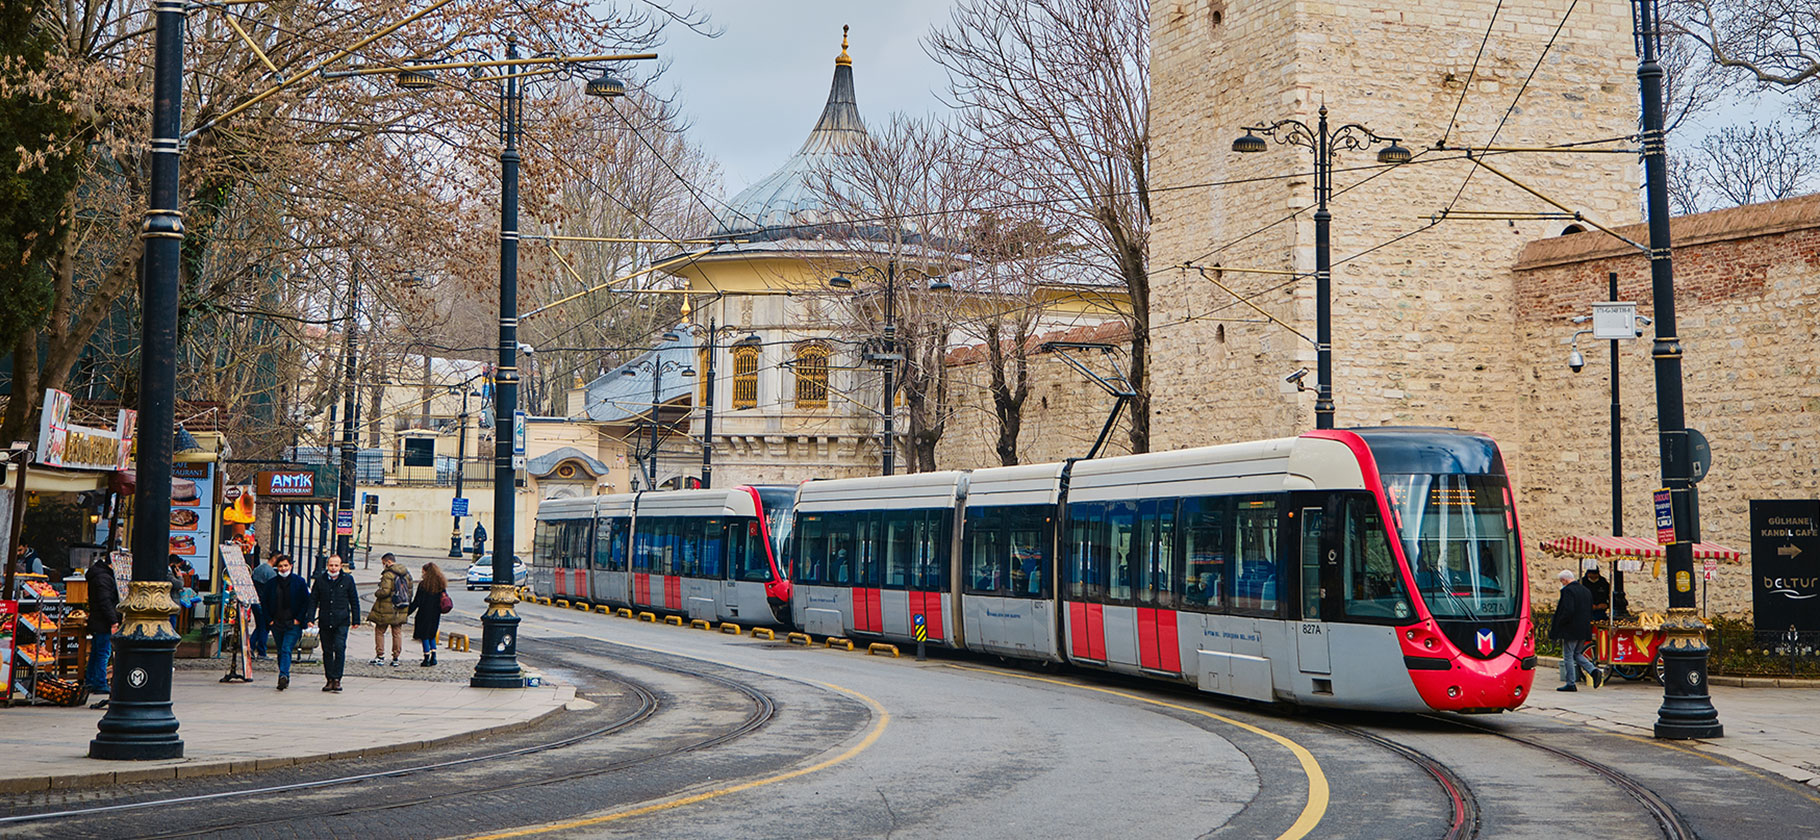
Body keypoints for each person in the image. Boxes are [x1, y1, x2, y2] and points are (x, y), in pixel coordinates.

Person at [307, 554, 361, 692]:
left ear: (341, 566)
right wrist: (310, 618)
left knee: (339, 647)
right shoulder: (320, 580)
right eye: (331, 565)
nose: (333, 568)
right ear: (327, 566)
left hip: (341, 620)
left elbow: (354, 600)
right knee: (327, 650)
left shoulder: (347, 580)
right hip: (325, 620)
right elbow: (313, 600)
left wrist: (356, 619)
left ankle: (337, 678)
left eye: (336, 565)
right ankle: (329, 678)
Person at [260, 554, 310, 691]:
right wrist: (269, 620)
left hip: (293, 623)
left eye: (285, 566)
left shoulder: (299, 582)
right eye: (280, 566)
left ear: (291, 566)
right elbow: (264, 603)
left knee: (286, 648)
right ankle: (284, 674)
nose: (283, 568)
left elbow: (305, 602)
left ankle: (283, 675)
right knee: (281, 651)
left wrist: (299, 619)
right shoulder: (271, 584)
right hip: (277, 622)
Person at [1550, 569, 1604, 691]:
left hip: (1571, 629)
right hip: (1584, 628)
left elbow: (1567, 610)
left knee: (1568, 655)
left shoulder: (1568, 591)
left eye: (1561, 581)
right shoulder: (1586, 590)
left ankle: (1571, 683)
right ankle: (1593, 671)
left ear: (1564, 580)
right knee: (1577, 654)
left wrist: (1560, 624)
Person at [83, 553, 120, 694]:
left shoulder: (100, 575)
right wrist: (113, 621)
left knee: (97, 651)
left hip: (99, 619)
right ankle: (99, 682)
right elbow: (105, 602)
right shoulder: (103, 578)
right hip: (103, 620)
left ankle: (91, 680)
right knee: (103, 653)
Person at [368, 553, 410, 667]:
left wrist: (377, 593)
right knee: (397, 632)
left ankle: (380, 656)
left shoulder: (388, 574)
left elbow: (385, 592)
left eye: (383, 563)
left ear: (388, 562)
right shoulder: (406, 574)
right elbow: (409, 591)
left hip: (386, 608)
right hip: (400, 607)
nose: (383, 565)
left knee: (380, 631)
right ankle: (396, 657)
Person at [409, 562, 448, 667]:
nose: (422, 574)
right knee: (432, 635)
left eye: (423, 571)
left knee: (424, 636)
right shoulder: (441, 584)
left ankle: (426, 657)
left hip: (424, 613)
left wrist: (407, 612)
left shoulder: (423, 585)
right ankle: (434, 657)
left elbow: (417, 601)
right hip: (436, 613)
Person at [249, 551, 277, 658]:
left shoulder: (258, 568)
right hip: (262, 602)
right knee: (264, 627)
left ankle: (251, 646)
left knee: (260, 626)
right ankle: (261, 651)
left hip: (255, 601)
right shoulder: (271, 573)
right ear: (274, 559)